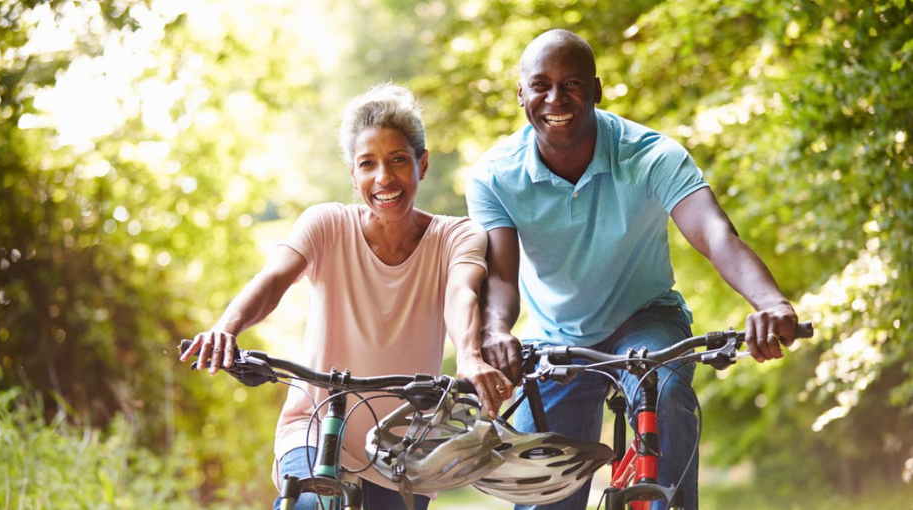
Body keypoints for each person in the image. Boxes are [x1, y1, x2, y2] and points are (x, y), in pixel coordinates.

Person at [466, 29, 799, 510]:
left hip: (646, 318)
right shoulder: (495, 175)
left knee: (663, 389)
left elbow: (716, 235)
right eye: (540, 85)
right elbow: (500, 275)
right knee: (544, 490)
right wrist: (495, 330)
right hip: (557, 334)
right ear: (521, 95)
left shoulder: (650, 155)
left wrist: (769, 302)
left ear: (597, 91)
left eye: (572, 85)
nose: (555, 99)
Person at [180, 83, 512, 510]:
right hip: (315, 424)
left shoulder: (457, 236)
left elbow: (461, 293)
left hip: (403, 444)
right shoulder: (326, 225)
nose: (384, 178)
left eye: (398, 161)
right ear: (353, 176)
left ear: (422, 164)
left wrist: (469, 355)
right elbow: (273, 279)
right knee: (307, 506)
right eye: (367, 164)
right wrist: (227, 328)